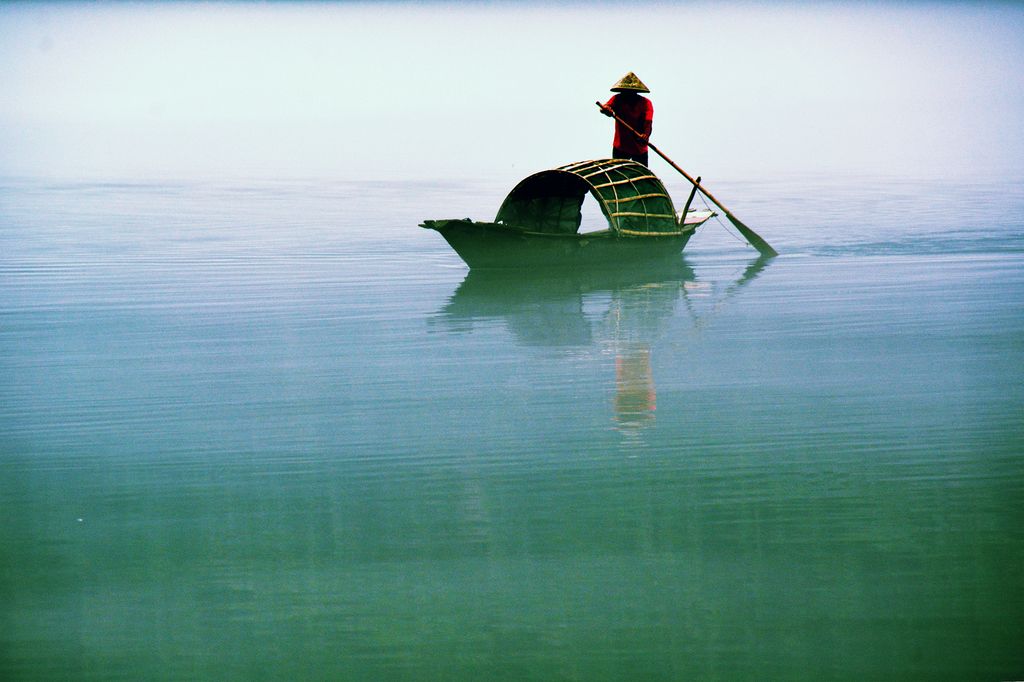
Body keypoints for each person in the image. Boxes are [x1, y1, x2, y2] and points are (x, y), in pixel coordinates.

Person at [600, 72, 653, 166]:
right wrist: (606, 109)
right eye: (625, 91)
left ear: (636, 92)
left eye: (630, 92)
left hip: (639, 147)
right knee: (617, 173)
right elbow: (606, 107)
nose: (627, 94)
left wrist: (645, 135)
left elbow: (648, 123)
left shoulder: (646, 103)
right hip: (621, 146)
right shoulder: (617, 99)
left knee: (641, 173)